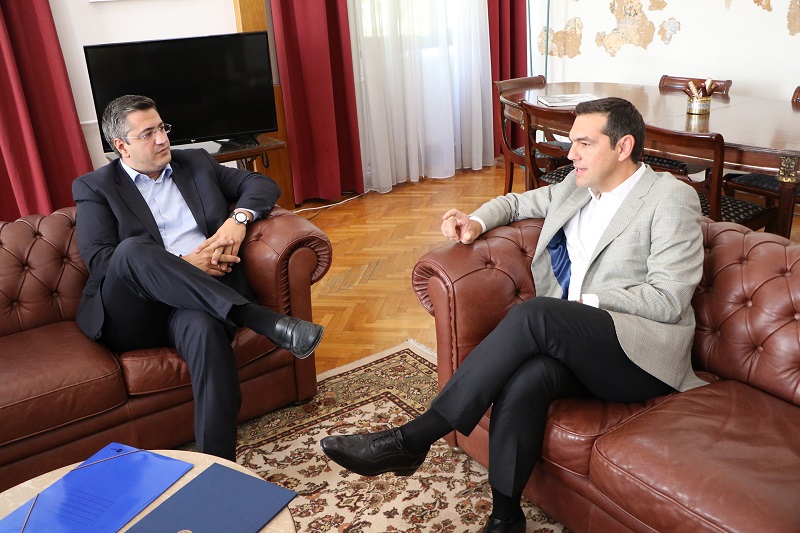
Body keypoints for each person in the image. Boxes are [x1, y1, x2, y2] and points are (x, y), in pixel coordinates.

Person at [321, 97, 706, 533]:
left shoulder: (670, 198)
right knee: (528, 379)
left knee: (538, 315)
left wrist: (584, 305)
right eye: (571, 142)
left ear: (623, 147)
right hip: (582, 349)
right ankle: (506, 517)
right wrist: (475, 221)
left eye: (584, 143)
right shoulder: (578, 186)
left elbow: (668, 298)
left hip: (642, 356)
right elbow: (516, 204)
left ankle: (413, 438)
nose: (571, 154)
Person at [72, 94, 324, 462]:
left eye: (162, 128)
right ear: (121, 146)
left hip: (196, 305)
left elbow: (260, 184)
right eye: (148, 133)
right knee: (132, 249)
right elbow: (102, 262)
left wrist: (238, 220)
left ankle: (219, 466)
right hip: (135, 312)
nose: (162, 139)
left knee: (205, 331)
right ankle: (256, 317)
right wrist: (186, 265)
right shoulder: (95, 187)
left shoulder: (195, 162)